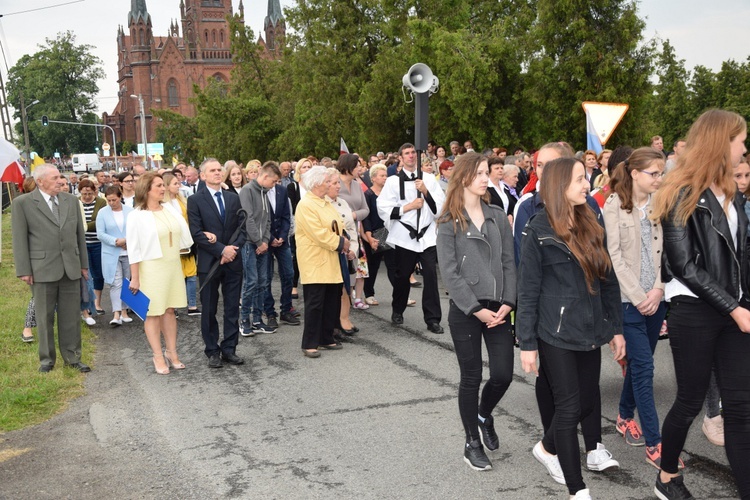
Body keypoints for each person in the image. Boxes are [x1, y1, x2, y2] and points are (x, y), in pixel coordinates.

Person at [651, 109, 750, 500]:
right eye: (740, 139)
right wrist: (735, 308)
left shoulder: (733, 192)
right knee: (690, 401)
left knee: (741, 410)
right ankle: (666, 475)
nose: (744, 146)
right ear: (721, 142)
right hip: (694, 311)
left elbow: (741, 256)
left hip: (733, 310)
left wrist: (741, 303)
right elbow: (684, 266)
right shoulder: (679, 191)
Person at [516, 157, 625, 499]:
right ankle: (578, 490)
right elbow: (528, 289)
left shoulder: (592, 221)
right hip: (555, 332)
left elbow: (608, 280)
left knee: (586, 404)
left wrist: (615, 328)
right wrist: (527, 343)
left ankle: (547, 447)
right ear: (560, 185)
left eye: (585, 177)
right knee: (568, 407)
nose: (586, 184)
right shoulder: (538, 229)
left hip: (591, 330)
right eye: (579, 179)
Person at [436, 152, 516, 471]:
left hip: (499, 308)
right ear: (464, 177)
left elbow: (510, 262)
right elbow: (450, 273)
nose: (486, 178)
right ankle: (472, 441)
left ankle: (484, 415)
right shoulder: (448, 221)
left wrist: (509, 302)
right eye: (480, 173)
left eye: (487, 173)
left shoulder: (497, 215)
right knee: (471, 377)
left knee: (503, 375)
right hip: (467, 310)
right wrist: (475, 309)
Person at [602, 147, 670, 467]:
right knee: (643, 367)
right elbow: (614, 256)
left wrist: (657, 289)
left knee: (641, 364)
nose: (659, 179)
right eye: (654, 173)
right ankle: (655, 445)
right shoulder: (614, 205)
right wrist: (639, 294)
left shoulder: (660, 203)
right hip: (628, 302)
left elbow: (666, 250)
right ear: (635, 174)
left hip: (657, 299)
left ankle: (623, 415)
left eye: (661, 173)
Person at [12, 164, 91, 373]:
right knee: (44, 316)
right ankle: (47, 360)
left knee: (71, 316)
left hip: (70, 267)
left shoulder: (71, 201)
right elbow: (19, 239)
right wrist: (24, 269)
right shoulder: (23, 204)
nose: (60, 181)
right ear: (40, 181)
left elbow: (79, 237)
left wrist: (83, 264)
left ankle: (73, 357)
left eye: (60, 177)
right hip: (41, 268)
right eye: (55, 178)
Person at [127, 172, 192, 374]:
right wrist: (135, 278)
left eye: (163, 186)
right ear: (146, 190)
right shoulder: (136, 215)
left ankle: (171, 352)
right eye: (158, 186)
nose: (162, 189)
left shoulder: (170, 209)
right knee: (153, 313)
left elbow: (183, 234)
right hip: (151, 267)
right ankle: (157, 355)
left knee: (170, 310)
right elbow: (134, 249)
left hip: (172, 265)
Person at [377, 143, 446, 333]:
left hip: (426, 236)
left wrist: (425, 191)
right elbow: (382, 208)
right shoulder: (392, 182)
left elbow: (440, 207)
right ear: (400, 157)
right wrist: (407, 207)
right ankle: (398, 309)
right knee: (402, 276)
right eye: (406, 154)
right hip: (404, 236)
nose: (410, 156)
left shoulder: (430, 179)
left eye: (412, 153)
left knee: (431, 277)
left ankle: (432, 319)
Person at [188, 159, 247, 368]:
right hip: (209, 263)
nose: (217, 173)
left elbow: (242, 228)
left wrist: (231, 251)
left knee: (232, 307)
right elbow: (196, 233)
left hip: (233, 262)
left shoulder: (232, 198)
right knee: (209, 308)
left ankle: (229, 349)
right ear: (202, 175)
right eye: (212, 170)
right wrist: (221, 250)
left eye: (219, 170)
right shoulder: (195, 200)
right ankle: (212, 350)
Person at [295, 166, 348, 358]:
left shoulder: (325, 202)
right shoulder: (306, 204)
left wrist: (345, 240)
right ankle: (310, 342)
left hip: (331, 259)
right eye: (327, 181)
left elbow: (337, 225)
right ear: (317, 183)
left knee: (330, 301)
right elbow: (319, 233)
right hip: (315, 260)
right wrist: (342, 243)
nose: (330, 184)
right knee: (315, 303)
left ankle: (326, 337)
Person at [239, 161, 281, 335]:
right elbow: (248, 219)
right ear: (264, 176)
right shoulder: (247, 190)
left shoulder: (265, 192)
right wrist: (258, 241)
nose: (274, 185)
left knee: (263, 282)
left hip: (262, 245)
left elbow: (268, 220)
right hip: (249, 244)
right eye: (273, 181)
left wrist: (265, 241)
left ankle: (257, 319)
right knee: (251, 282)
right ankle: (244, 320)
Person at [261, 170, 300, 328]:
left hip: (282, 240)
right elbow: (259, 219)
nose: (276, 183)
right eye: (274, 180)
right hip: (265, 240)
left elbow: (286, 216)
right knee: (266, 277)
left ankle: (286, 309)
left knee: (288, 274)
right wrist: (270, 238)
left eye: (278, 181)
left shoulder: (282, 191)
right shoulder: (259, 193)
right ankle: (270, 313)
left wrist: (283, 236)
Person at [326, 167, 360, 337]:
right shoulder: (321, 204)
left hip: (346, 253)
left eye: (338, 183)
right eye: (333, 183)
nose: (338, 186)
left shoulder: (343, 203)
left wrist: (353, 249)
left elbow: (352, 229)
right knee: (334, 290)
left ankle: (344, 319)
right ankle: (333, 324)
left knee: (346, 287)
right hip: (331, 252)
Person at [96, 186, 134, 327]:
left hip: (128, 252)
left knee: (126, 282)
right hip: (111, 252)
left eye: (114, 200)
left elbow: (135, 230)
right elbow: (100, 234)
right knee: (115, 282)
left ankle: (124, 311)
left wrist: (126, 241)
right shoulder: (102, 213)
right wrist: (116, 241)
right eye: (109, 200)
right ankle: (116, 313)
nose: (112, 203)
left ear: (120, 197)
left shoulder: (130, 212)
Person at [163, 172, 200, 316]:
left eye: (178, 183)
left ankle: (192, 305)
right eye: (175, 184)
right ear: (166, 186)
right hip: (171, 244)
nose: (178, 186)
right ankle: (174, 306)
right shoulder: (162, 205)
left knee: (191, 273)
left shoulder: (183, 200)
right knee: (175, 275)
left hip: (187, 242)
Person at [337, 154, 370, 309]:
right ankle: (343, 301)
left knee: (355, 265)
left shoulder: (357, 184)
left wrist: (354, 215)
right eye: (357, 166)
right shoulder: (335, 183)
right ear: (348, 167)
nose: (360, 169)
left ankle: (350, 300)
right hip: (338, 232)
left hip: (355, 231)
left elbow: (366, 209)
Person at [362, 164, 390, 306]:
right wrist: (368, 236)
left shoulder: (389, 193)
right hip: (374, 234)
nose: (385, 178)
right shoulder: (368, 195)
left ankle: (400, 294)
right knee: (372, 266)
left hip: (389, 232)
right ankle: (369, 293)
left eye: (386, 175)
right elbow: (366, 217)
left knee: (395, 265)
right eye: (382, 175)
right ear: (373, 178)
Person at [78, 179, 107, 316]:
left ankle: (98, 302)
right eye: (84, 194)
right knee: (86, 274)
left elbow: (100, 221)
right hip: (83, 244)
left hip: (98, 242)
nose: (87, 196)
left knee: (99, 274)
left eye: (90, 193)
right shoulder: (76, 203)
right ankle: (88, 304)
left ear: (94, 191)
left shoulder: (101, 202)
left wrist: (84, 226)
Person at [288, 157, 314, 300]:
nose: (306, 169)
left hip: (314, 227)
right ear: (298, 170)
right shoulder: (293, 187)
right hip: (299, 227)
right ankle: (293, 285)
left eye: (309, 167)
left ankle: (309, 285)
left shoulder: (315, 187)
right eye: (303, 167)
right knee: (297, 257)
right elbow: (292, 207)